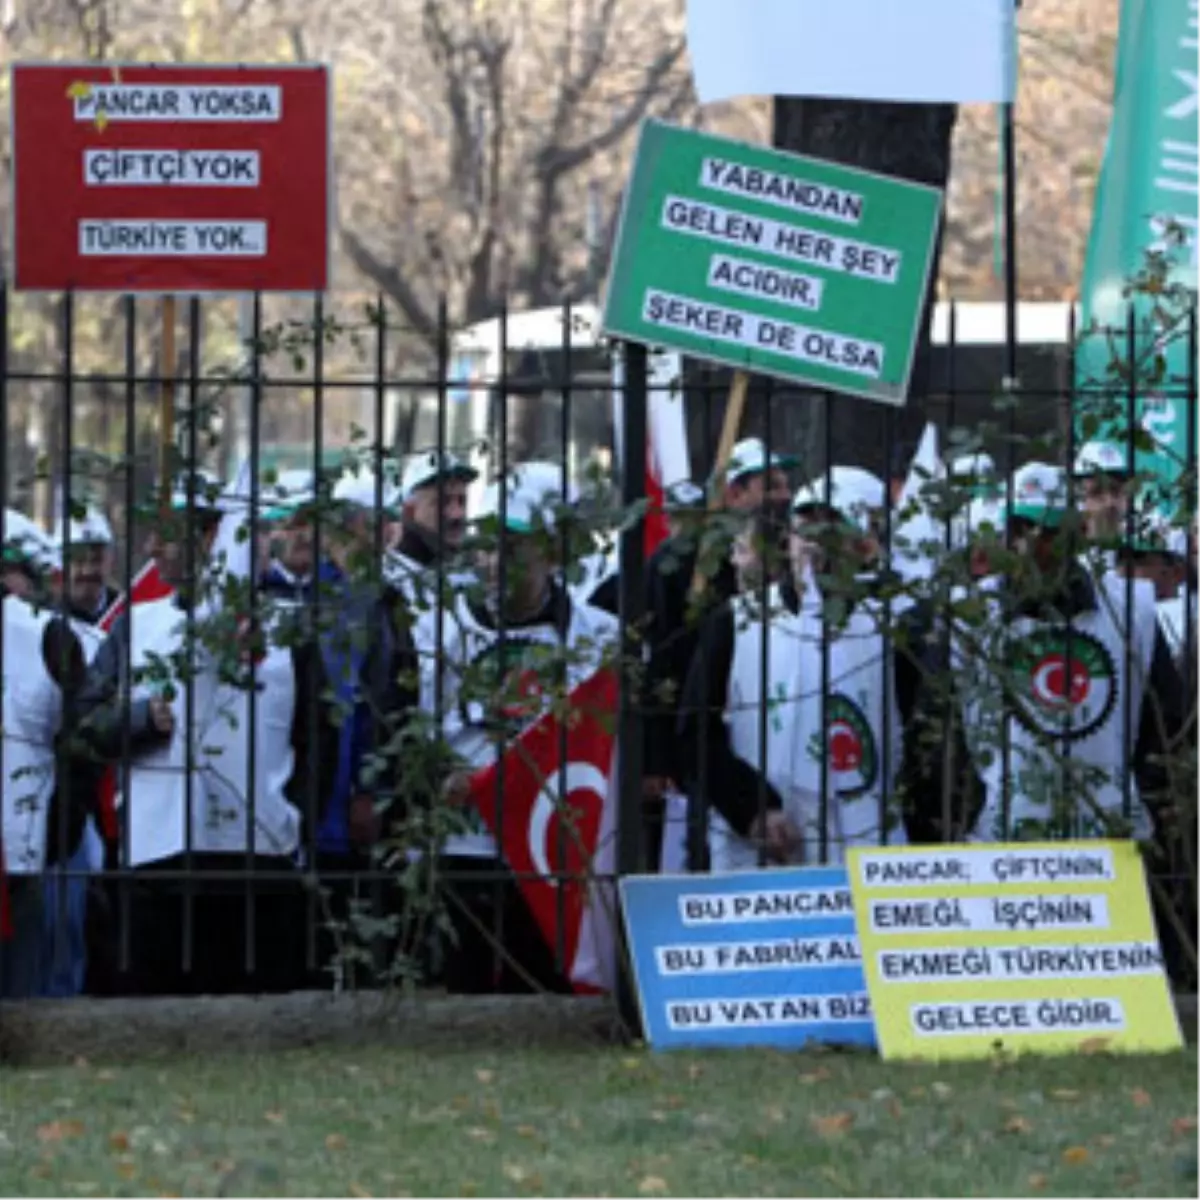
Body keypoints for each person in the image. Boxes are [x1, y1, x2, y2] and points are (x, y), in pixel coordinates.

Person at [70, 474, 336, 995]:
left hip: (262, 855)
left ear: (214, 537)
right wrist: (141, 719)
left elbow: (318, 742)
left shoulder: (290, 629)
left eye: (165, 535)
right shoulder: (135, 625)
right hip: (157, 856)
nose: (151, 548)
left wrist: (295, 816)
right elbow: (84, 727)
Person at [415, 466, 617, 993]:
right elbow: (415, 725)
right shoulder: (439, 626)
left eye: (514, 547)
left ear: (551, 554)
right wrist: (441, 774)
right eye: (485, 545)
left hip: (553, 846)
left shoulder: (598, 636)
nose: (494, 561)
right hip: (469, 840)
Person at [679, 465, 909, 870]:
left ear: (865, 544)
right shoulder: (737, 621)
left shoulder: (896, 627)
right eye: (807, 525)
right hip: (762, 851)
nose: (815, 544)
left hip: (866, 847)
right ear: (788, 538)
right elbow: (693, 734)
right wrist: (752, 809)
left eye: (833, 529)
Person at [951, 462, 1182, 842]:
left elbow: (1166, 719)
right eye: (1021, 528)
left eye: (1048, 531)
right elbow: (947, 731)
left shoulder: (1129, 607)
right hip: (1000, 837)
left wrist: (1147, 797)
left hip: (1109, 833)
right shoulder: (970, 614)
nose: (1032, 542)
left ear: (1077, 533)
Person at [644, 437, 795, 870]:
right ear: (734, 493)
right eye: (771, 485)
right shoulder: (680, 562)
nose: (784, 496)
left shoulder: (793, 556)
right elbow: (659, 660)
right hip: (702, 740)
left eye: (786, 485)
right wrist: (656, 757)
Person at [0, 581, 85, 998]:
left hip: (19, 856)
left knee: (19, 1006)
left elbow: (82, 742)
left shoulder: (46, 633)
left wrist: (56, 833)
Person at [385, 450, 478, 607]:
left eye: (462, 501)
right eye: (442, 502)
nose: (457, 514)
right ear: (410, 510)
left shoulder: (470, 576)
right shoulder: (390, 579)